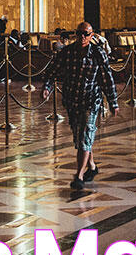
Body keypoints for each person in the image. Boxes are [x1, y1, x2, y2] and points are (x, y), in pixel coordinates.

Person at [47, 20, 118, 191]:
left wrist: (113, 101)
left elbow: (107, 78)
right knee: (80, 136)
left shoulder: (97, 53)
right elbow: (53, 70)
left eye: (86, 34)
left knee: (85, 132)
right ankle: (92, 167)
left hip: (91, 101)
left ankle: (79, 175)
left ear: (91, 35)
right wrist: (47, 87)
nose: (82, 37)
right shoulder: (68, 52)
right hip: (72, 101)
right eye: (79, 33)